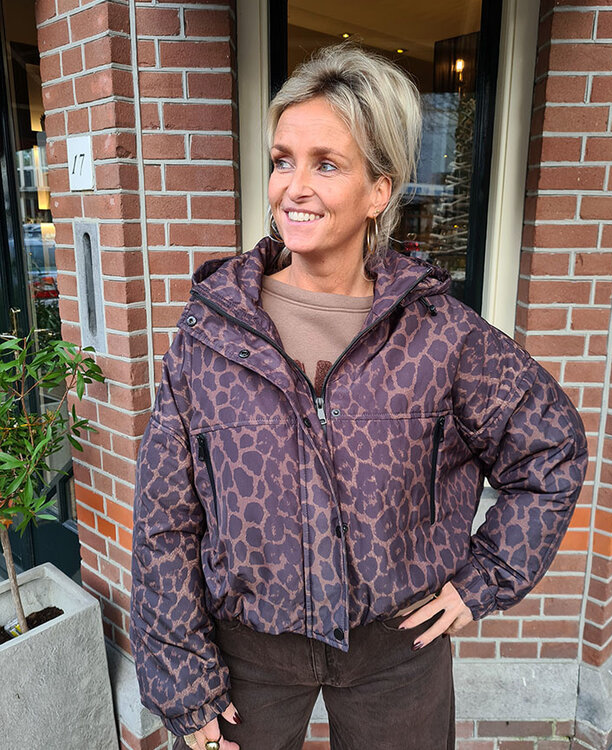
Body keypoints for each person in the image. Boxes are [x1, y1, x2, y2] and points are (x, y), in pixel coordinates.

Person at [130, 44, 588, 750]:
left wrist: (485, 580)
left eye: (326, 164)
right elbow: (165, 519)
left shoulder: (439, 335)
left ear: (380, 189)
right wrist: (185, 686)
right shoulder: (213, 331)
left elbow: (551, 448)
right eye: (283, 160)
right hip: (246, 654)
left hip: (397, 652)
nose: (293, 187)